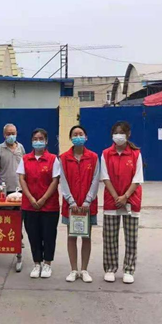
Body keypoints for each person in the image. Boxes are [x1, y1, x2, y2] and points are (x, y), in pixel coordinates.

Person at [100, 121, 144, 284]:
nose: (118, 136)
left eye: (122, 133)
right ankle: (110, 268)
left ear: (128, 134)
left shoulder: (136, 154)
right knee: (110, 237)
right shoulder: (106, 154)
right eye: (116, 133)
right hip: (112, 201)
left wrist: (125, 196)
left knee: (131, 238)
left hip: (131, 200)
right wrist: (116, 197)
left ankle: (128, 269)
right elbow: (105, 177)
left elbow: (137, 178)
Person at [17, 128, 60, 279]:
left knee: (49, 235)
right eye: (35, 139)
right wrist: (30, 198)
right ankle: (37, 263)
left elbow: (55, 180)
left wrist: (42, 199)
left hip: (49, 206)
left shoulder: (53, 159)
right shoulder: (25, 159)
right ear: (31, 141)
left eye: (41, 139)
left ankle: (47, 263)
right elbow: (22, 179)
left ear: (46, 141)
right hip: (30, 205)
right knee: (33, 235)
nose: (38, 141)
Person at [59, 125, 100, 283]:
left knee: (86, 236)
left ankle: (84, 270)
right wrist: (71, 201)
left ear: (86, 137)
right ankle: (73, 270)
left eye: (81, 134)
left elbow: (96, 180)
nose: (78, 137)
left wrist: (88, 200)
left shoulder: (93, 157)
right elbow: (63, 181)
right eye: (75, 135)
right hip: (72, 206)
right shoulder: (63, 158)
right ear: (71, 138)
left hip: (87, 206)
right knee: (71, 236)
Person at [0, 124, 25, 194]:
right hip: (4, 188)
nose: (11, 136)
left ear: (16, 133)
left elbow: (24, 166)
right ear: (4, 135)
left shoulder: (21, 147)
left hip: (20, 187)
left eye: (13, 133)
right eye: (8, 134)